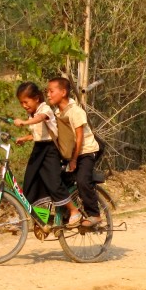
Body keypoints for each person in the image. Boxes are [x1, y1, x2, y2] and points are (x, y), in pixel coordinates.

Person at [12, 81, 83, 227]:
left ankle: (74, 210)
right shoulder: (33, 113)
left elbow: (41, 119)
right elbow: (40, 135)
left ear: (36, 98)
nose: (24, 105)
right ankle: (41, 217)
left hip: (50, 151)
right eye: (21, 103)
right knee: (32, 182)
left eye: (26, 101)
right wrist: (24, 138)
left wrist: (24, 122)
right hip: (39, 149)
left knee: (53, 182)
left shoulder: (45, 109)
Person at [47, 76, 102, 227]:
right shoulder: (57, 113)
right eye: (47, 92)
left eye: (51, 91)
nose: (48, 95)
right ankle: (67, 212)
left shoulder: (75, 111)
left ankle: (95, 214)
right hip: (72, 154)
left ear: (63, 92)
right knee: (57, 181)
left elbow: (79, 138)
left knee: (83, 180)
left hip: (85, 152)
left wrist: (74, 160)